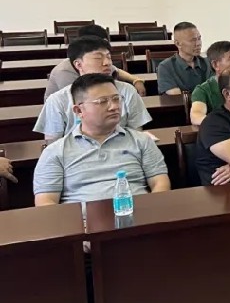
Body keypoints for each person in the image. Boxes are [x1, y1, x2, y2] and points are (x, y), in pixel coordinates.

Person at [34, 73, 170, 205]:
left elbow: (160, 183)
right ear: (79, 111)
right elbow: (46, 201)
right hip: (82, 218)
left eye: (116, 99)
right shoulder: (55, 152)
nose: (114, 107)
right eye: (103, 101)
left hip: (137, 213)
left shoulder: (141, 141)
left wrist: (150, 212)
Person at [34, 36, 152, 142]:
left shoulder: (127, 91)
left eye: (109, 57)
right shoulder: (57, 100)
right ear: (78, 65)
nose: (107, 63)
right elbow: (53, 144)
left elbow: (137, 134)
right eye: (98, 58)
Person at [44, 24, 147, 99]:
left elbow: (116, 71)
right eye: (98, 56)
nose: (107, 62)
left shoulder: (102, 63)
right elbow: (79, 100)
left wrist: (136, 80)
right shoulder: (64, 72)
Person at [157, 21, 212, 95]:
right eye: (193, 40)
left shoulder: (207, 63)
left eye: (199, 38)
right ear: (178, 44)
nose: (198, 43)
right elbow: (176, 96)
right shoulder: (165, 67)